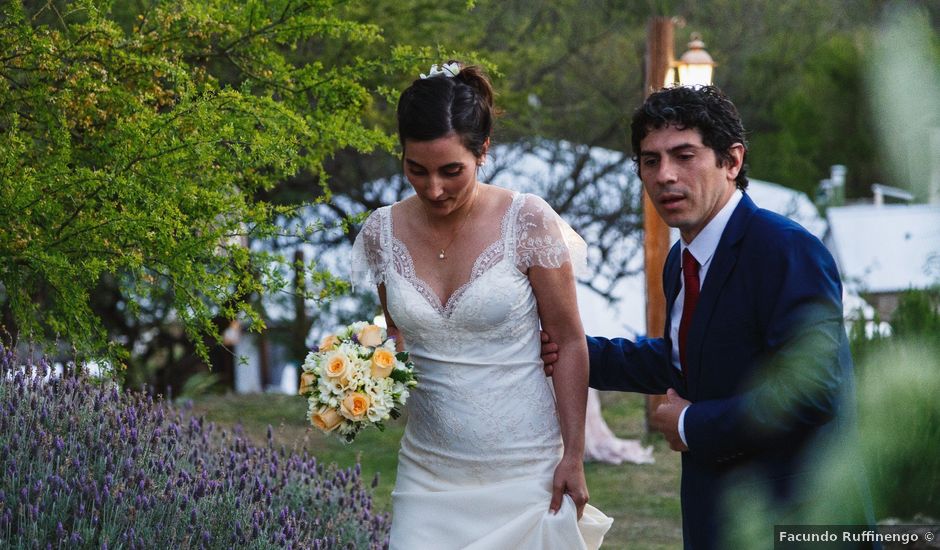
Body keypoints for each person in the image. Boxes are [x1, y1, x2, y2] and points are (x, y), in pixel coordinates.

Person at [542, 85, 877, 549]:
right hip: (716, 518)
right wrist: (572, 349)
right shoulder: (681, 261)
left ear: (732, 162)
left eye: (684, 155)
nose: (664, 175)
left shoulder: (785, 249)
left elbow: (814, 388)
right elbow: (689, 359)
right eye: (650, 160)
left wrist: (690, 424)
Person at [351, 61, 611, 549]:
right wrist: (361, 378)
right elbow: (397, 336)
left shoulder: (527, 221)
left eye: (452, 171)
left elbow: (571, 340)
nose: (433, 189)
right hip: (428, 472)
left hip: (526, 470)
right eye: (416, 169)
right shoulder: (380, 234)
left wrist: (573, 455)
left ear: (483, 151)